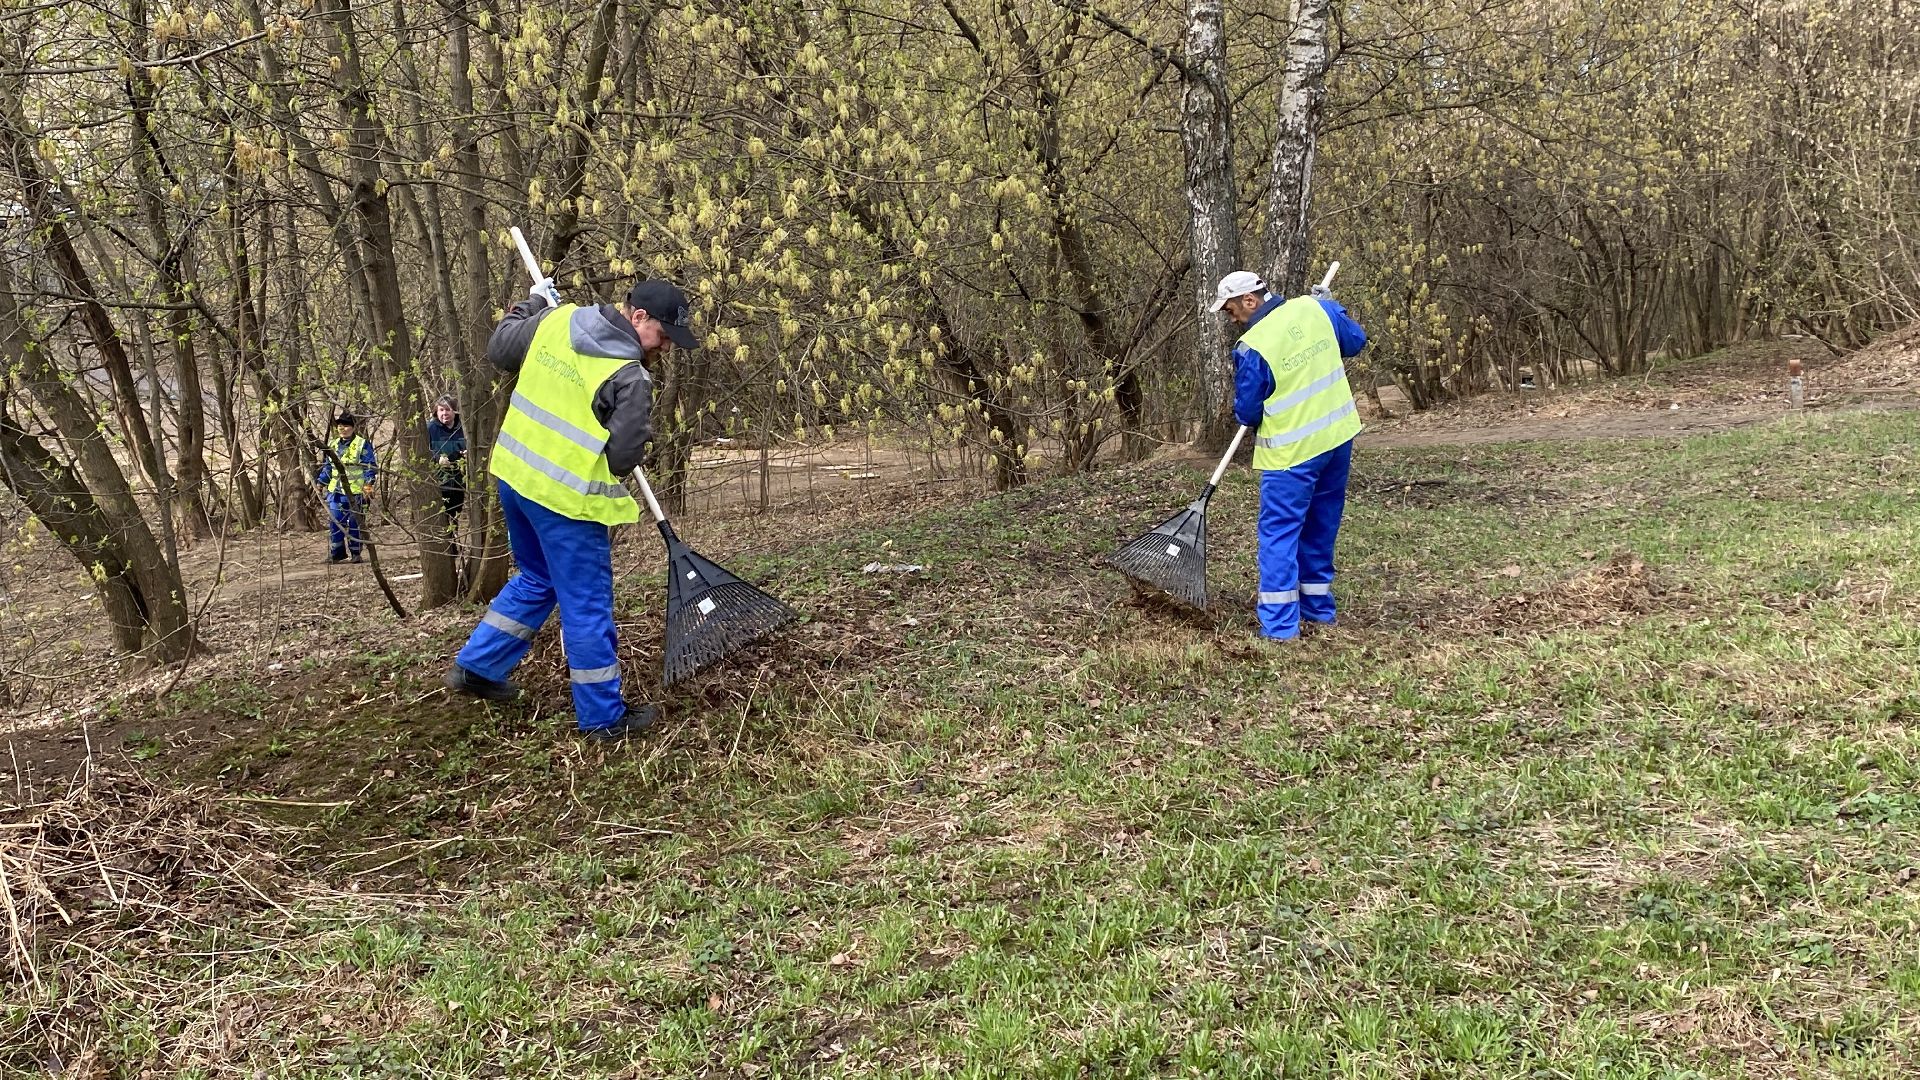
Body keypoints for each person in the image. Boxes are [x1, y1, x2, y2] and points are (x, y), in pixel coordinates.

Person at [443, 276, 696, 741]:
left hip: (515, 479)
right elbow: (623, 458)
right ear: (638, 317)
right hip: (566, 503)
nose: (663, 348)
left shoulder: (557, 320)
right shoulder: (630, 375)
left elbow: (501, 348)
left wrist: (534, 301)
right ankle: (603, 719)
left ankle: (478, 667)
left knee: (538, 579)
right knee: (586, 605)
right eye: (662, 336)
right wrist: (629, 436)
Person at [1212, 270, 1368, 640]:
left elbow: (1248, 413)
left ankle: (1281, 627)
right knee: (1320, 525)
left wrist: (1329, 307)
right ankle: (1317, 611)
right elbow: (1355, 341)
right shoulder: (1315, 309)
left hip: (1293, 454)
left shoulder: (1254, 346)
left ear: (1250, 300)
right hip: (1336, 440)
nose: (1230, 317)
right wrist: (1332, 308)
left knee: (1279, 532)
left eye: (1231, 309)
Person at [315, 412, 377, 564]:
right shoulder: (334, 444)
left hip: (357, 492)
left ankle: (356, 553)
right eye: (340, 426)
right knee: (336, 522)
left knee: (355, 524)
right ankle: (337, 554)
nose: (342, 429)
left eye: (346, 426)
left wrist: (368, 487)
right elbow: (328, 467)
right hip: (336, 492)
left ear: (353, 427)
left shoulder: (362, 444)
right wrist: (320, 483)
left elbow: (370, 467)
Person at [427, 394, 467, 531]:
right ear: (436, 412)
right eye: (441, 410)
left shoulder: (464, 427)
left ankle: (454, 542)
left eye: (448, 410)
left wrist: (467, 454)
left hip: (459, 479)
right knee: (442, 516)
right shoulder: (430, 428)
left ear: (454, 411)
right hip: (438, 481)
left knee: (455, 515)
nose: (445, 413)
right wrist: (437, 458)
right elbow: (423, 450)